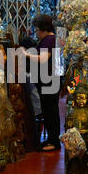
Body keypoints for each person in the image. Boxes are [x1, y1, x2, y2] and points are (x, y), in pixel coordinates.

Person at [29, 14, 62, 151]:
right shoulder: (48, 39)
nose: (36, 33)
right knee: (49, 111)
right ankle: (51, 140)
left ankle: (54, 142)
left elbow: (43, 59)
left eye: (37, 30)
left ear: (43, 28)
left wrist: (26, 54)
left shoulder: (49, 39)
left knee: (51, 112)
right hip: (48, 81)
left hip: (50, 82)